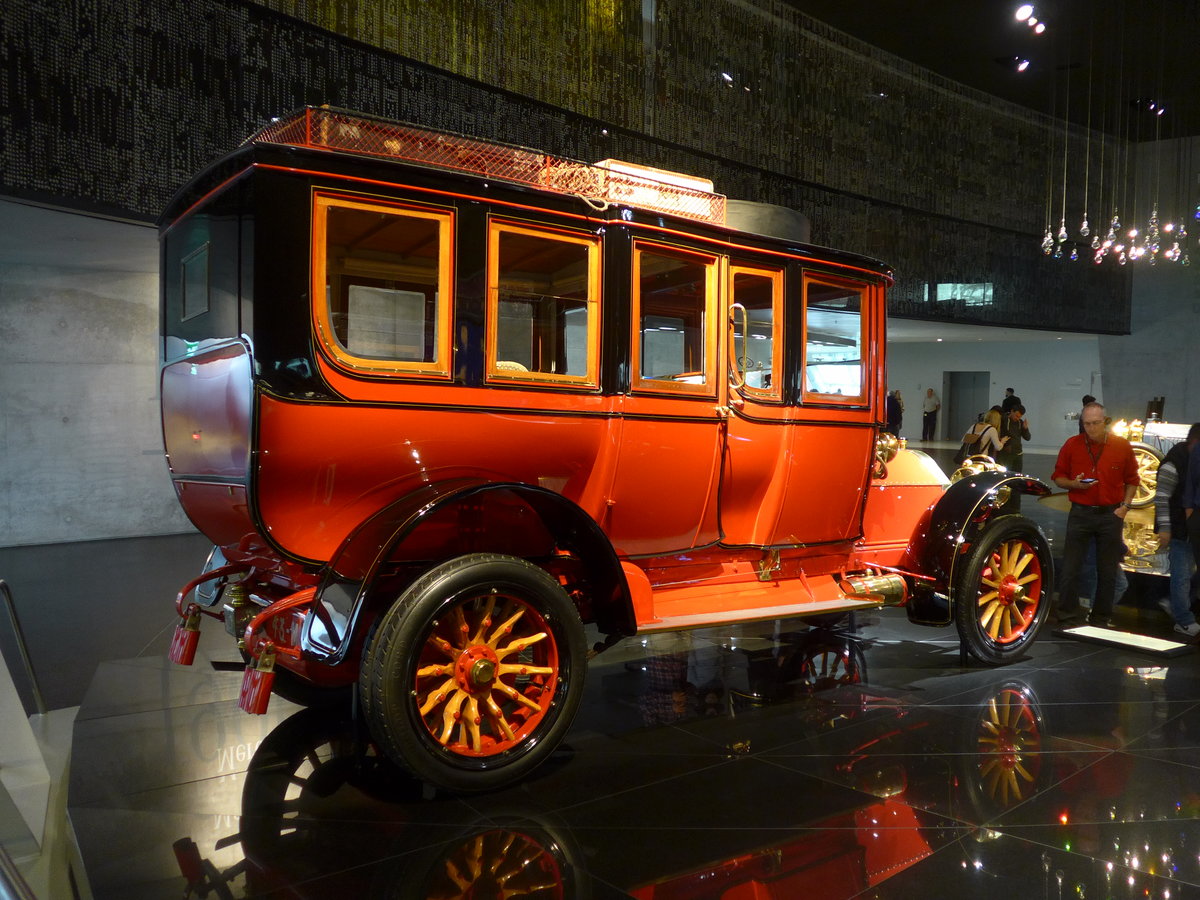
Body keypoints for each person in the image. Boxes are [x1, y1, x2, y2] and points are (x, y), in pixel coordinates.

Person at [1051, 402, 1140, 628]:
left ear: (1105, 422)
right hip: (1081, 513)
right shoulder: (1072, 444)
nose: (1091, 428)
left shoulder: (1121, 446)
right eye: (1087, 424)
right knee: (1071, 567)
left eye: (1095, 423)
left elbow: (1132, 480)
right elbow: (1058, 477)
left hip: (1110, 515)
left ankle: (1101, 618)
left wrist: (1125, 507)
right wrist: (1074, 484)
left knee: (1108, 570)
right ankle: (1066, 616)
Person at [1153, 423, 1200, 637]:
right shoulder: (1173, 464)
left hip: (1192, 527)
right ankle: (1183, 619)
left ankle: (1174, 604)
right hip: (1180, 529)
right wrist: (1165, 528)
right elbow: (1162, 498)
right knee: (1180, 574)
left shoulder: (1192, 461)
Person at [996, 404, 1030, 472]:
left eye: (1019, 417)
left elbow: (1027, 438)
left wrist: (1025, 429)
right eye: (1016, 416)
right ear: (1012, 411)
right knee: (1006, 474)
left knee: (1017, 475)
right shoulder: (1003, 420)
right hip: (1006, 454)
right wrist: (1007, 445)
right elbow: (1001, 434)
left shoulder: (1020, 422)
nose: (1017, 418)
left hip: (1018, 454)